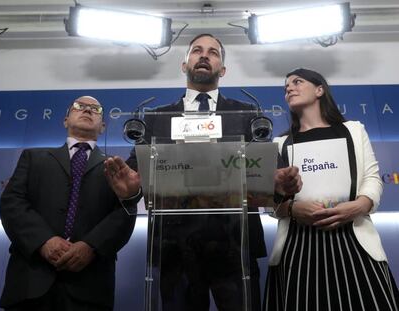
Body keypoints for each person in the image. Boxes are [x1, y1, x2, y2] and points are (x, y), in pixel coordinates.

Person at [122, 33, 301, 311]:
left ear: (223, 69)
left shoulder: (247, 113)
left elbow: (269, 170)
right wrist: (130, 187)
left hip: (234, 245)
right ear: (185, 65)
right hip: (174, 246)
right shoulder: (157, 117)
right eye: (196, 50)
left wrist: (276, 182)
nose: (204, 56)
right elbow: (136, 173)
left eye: (213, 52)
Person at [263, 68, 399, 310]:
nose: (289, 89)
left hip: (354, 241)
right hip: (299, 248)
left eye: (297, 82)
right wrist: (293, 209)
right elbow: (270, 204)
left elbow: (372, 178)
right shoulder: (279, 144)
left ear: (319, 90)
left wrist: (360, 205)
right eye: (286, 87)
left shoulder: (354, 130)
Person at [0, 96, 140, 311]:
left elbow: (122, 215)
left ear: (102, 126)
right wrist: (44, 241)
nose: (87, 110)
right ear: (66, 120)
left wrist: (90, 246)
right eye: (79, 106)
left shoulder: (116, 168)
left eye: (95, 109)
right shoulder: (33, 158)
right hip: (31, 281)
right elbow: (12, 204)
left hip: (90, 285)